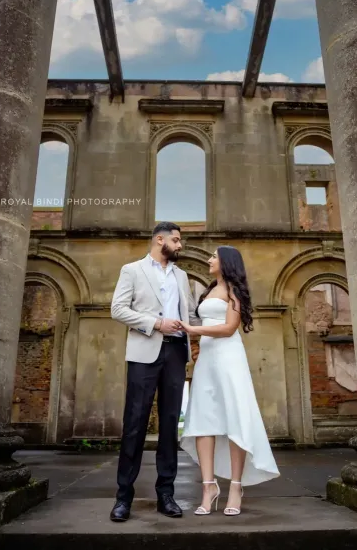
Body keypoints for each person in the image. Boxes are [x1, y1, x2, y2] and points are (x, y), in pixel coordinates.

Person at [109, 222, 201, 522]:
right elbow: (118, 309)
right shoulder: (132, 270)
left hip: (175, 352)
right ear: (158, 240)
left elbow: (188, 312)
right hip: (144, 351)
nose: (180, 245)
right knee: (134, 422)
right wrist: (155, 323)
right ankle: (123, 498)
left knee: (170, 423)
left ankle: (166, 494)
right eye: (175, 240)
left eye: (180, 240)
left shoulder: (182, 275)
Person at [179, 245, 280, 516]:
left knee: (235, 417)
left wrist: (192, 329)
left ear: (227, 262)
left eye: (214, 256)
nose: (210, 260)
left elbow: (228, 328)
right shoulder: (208, 290)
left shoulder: (235, 290)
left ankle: (236, 487)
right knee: (202, 421)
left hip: (229, 357)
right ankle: (208, 486)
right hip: (207, 361)